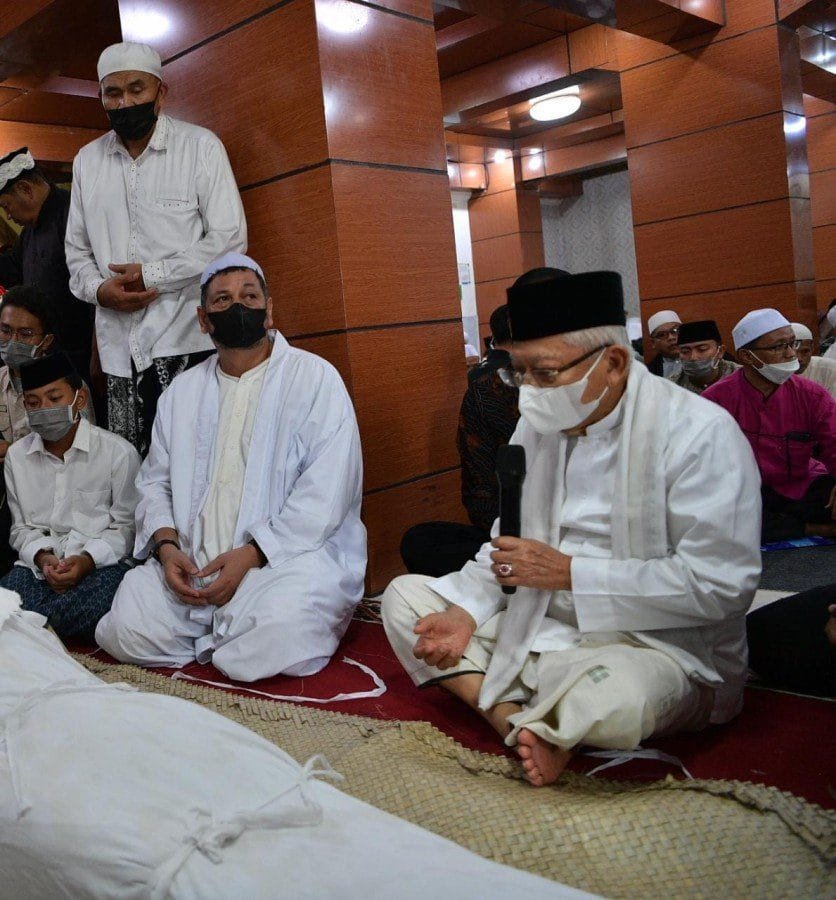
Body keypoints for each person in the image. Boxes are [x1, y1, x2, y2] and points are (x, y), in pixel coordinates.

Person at [382, 270, 761, 787]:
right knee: (405, 600)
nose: (528, 392)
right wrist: (465, 612)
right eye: (519, 372)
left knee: (620, 693)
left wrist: (569, 574)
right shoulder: (540, 422)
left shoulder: (699, 433)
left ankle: (545, 707)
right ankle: (515, 721)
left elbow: (721, 587)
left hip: (647, 643)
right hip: (534, 617)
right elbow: (507, 541)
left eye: (544, 373)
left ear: (613, 363)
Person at [96, 253, 366, 682]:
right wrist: (167, 548)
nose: (238, 306)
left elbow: (328, 493)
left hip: (283, 563)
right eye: (222, 300)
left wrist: (254, 554)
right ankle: (218, 630)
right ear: (203, 320)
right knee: (125, 630)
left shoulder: (315, 378)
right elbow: (155, 482)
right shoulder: (181, 392)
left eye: (249, 296)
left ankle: (229, 630)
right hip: (193, 563)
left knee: (278, 634)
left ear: (268, 310)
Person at [65, 41, 246, 455]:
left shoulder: (199, 147)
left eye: (136, 89)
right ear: (100, 98)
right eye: (113, 93)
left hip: (186, 340)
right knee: (131, 467)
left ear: (160, 92)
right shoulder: (86, 161)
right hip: (117, 351)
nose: (125, 102)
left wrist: (153, 274)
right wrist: (99, 290)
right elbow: (76, 251)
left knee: (196, 460)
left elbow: (229, 238)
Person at [0, 352, 139, 639]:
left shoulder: (118, 452)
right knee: (6, 604)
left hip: (99, 565)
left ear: (80, 399)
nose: (44, 409)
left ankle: (35, 631)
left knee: (106, 601)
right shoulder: (17, 456)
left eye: (54, 398)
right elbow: (21, 528)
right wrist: (43, 557)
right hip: (39, 568)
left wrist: (87, 560)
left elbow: (127, 528)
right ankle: (44, 630)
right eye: (33, 403)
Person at [702, 308, 836, 540]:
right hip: (745, 493)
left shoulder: (812, 395)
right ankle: (812, 529)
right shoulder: (715, 400)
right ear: (747, 357)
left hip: (800, 486)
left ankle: (788, 527)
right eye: (778, 347)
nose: (791, 354)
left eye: (792, 344)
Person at [0, 148, 95, 388]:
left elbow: (97, 292)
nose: (8, 216)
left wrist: (99, 356)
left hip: (82, 354)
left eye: (6, 206)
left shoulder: (73, 215)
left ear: (26, 189)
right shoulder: (30, 230)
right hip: (47, 352)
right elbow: (12, 272)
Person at [670, 319, 738, 394]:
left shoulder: (742, 376)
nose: (693, 357)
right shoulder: (672, 386)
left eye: (702, 349)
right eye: (685, 351)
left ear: (720, 351)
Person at [792, 322, 836, 397]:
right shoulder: (774, 374)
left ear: (812, 348)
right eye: (793, 353)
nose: (799, 358)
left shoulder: (830, 370)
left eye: (805, 351)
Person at [645, 310, 682, 378]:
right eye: (662, 335)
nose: (671, 337)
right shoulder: (649, 373)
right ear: (653, 343)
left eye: (675, 331)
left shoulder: (700, 359)